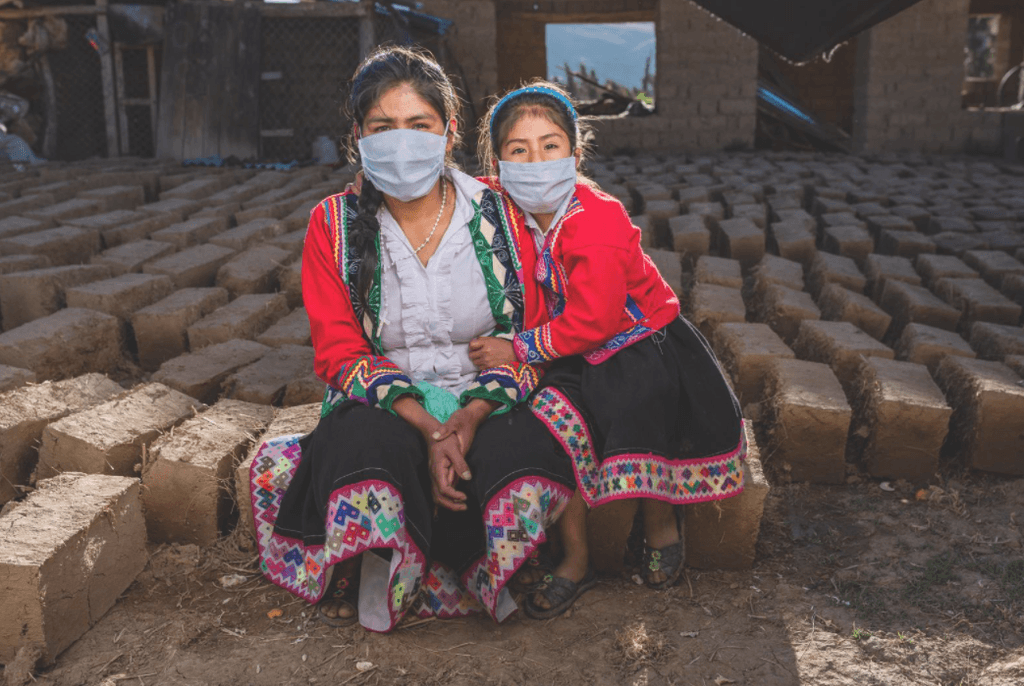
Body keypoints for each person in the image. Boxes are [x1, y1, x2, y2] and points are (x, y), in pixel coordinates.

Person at [248, 51, 575, 633]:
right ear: (357, 137)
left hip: (487, 398)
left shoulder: (502, 213)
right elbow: (339, 353)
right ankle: (369, 557)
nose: (401, 142)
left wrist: (470, 416)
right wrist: (428, 427)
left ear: (448, 133)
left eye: (419, 125)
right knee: (360, 445)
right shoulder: (334, 223)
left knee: (520, 449)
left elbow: (530, 338)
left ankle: (495, 557)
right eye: (382, 127)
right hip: (388, 404)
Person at [467, 81, 748, 618]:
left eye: (550, 146)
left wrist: (518, 348)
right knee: (554, 425)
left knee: (641, 420)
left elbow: (595, 321)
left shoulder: (595, 219)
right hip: (572, 347)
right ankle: (577, 559)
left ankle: (660, 519)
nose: (537, 160)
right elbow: (461, 192)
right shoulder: (508, 204)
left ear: (574, 152)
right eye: (519, 150)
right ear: (499, 163)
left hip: (639, 347)